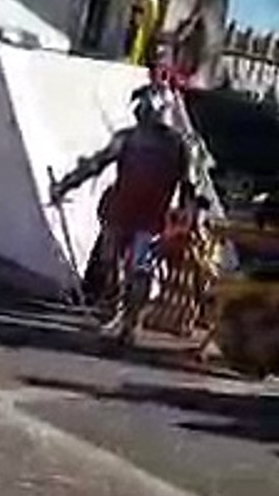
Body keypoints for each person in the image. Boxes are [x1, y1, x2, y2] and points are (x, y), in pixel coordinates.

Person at [51, 79, 193, 343]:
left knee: (139, 270)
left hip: (151, 217)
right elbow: (96, 164)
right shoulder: (131, 138)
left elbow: (188, 186)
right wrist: (66, 184)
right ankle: (115, 311)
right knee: (112, 262)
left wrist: (187, 215)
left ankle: (129, 323)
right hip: (122, 210)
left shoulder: (177, 145)